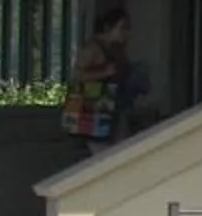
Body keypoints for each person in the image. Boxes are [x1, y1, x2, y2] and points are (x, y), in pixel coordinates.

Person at [62, 9, 151, 156]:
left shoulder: (116, 48)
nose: (126, 33)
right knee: (104, 152)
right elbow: (77, 75)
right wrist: (104, 72)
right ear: (108, 28)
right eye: (122, 28)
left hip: (114, 108)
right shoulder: (91, 49)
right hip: (95, 110)